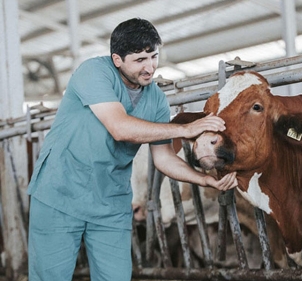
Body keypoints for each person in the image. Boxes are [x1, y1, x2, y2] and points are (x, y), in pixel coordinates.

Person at [27, 18, 237, 281]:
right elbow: (120, 128)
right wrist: (184, 129)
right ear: (117, 59)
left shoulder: (156, 99)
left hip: (111, 202)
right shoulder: (93, 72)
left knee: (115, 277)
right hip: (60, 193)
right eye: (140, 60)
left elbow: (163, 157)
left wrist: (204, 179)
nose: (150, 67)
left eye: (153, 56)